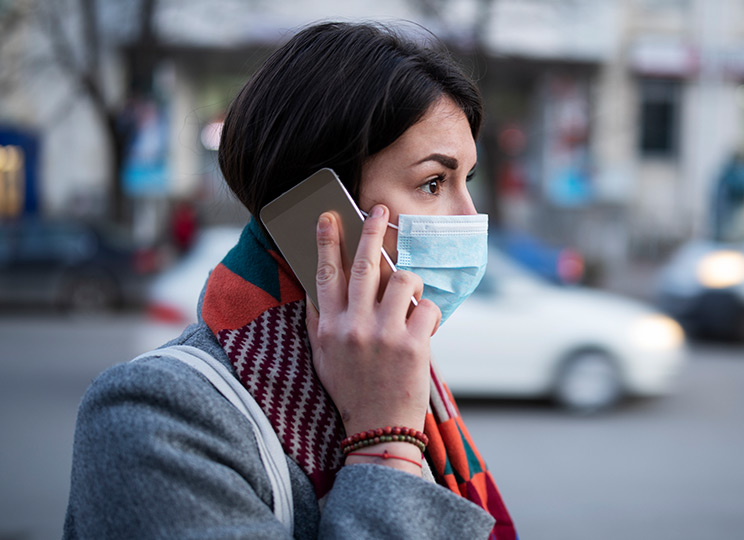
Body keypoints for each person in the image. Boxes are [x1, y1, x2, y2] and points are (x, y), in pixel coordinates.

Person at [64, 22, 516, 539]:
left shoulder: (400, 375)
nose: (469, 218)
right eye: (433, 183)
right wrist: (384, 444)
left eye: (467, 181)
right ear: (323, 213)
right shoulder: (155, 418)